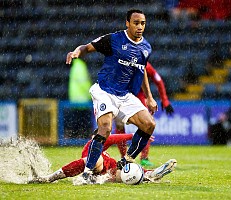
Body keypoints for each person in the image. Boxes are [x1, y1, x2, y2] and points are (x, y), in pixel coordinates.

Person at [65, 9, 158, 182]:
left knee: (149, 124)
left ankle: (126, 161)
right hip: (104, 91)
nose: (139, 27)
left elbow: (142, 69)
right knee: (106, 127)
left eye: (143, 23)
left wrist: (149, 97)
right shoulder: (114, 39)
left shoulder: (146, 47)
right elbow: (86, 47)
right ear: (127, 23)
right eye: (136, 23)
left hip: (124, 95)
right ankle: (86, 172)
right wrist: (77, 52)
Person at [28, 133, 177, 184]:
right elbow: (113, 138)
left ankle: (151, 174)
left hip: (112, 171)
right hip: (97, 169)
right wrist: (134, 136)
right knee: (94, 160)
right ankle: (51, 177)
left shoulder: (101, 143)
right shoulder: (90, 147)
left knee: (130, 172)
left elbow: (113, 139)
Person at [115, 62, 174, 167]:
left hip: (138, 96)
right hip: (122, 95)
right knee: (119, 124)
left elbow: (158, 80)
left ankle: (144, 157)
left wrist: (165, 100)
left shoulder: (145, 64)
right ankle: (124, 157)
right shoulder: (122, 60)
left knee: (147, 123)